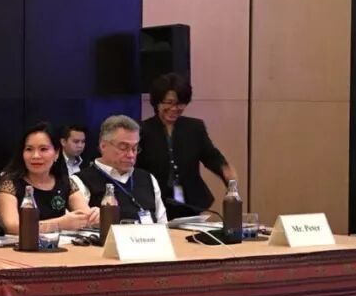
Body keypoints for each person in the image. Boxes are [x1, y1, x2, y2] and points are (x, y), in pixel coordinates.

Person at [138, 73, 236, 217]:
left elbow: (211, 156)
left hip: (190, 201)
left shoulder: (194, 128)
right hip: (154, 202)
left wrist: (225, 170)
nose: (174, 108)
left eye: (179, 103)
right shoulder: (142, 130)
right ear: (157, 102)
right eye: (168, 102)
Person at [0, 122, 98, 235]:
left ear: (56, 153)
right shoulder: (9, 184)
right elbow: (12, 227)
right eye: (29, 149)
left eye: (43, 149)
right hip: (22, 245)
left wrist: (95, 216)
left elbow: (85, 217)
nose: (35, 156)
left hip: (61, 245)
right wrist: (59, 224)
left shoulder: (65, 182)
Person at [72, 115, 167, 224]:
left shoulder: (148, 178)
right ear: (103, 146)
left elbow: (163, 223)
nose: (131, 155)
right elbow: (78, 225)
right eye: (123, 147)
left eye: (134, 148)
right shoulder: (80, 181)